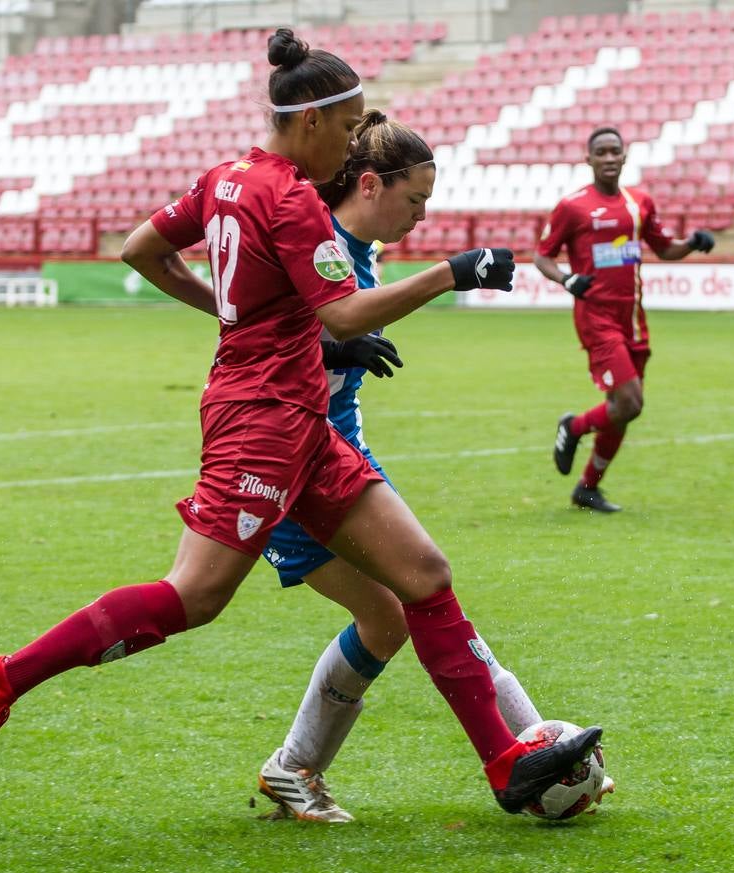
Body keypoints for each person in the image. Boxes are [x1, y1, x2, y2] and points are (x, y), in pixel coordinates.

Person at [0, 28, 601, 819]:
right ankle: (3, 675)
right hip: (260, 421)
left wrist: (239, 315)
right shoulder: (289, 195)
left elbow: (141, 250)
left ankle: (504, 762)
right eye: (352, 123)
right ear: (312, 121)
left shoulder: (226, 178)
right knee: (194, 596)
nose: (359, 140)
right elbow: (346, 308)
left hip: (299, 421)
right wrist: (453, 272)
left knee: (423, 577)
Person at [246, 110, 594, 823]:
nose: (422, 214)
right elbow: (259, 349)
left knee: (403, 613)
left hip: (340, 452)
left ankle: (296, 768)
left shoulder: (357, 249)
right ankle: (529, 752)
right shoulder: (316, 237)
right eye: (416, 200)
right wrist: (336, 345)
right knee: (421, 595)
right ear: (370, 185)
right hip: (293, 462)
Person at [534, 126, 715, 513]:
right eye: (601, 152)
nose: (609, 158)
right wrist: (567, 279)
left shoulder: (640, 203)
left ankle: (587, 488)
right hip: (597, 317)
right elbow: (542, 256)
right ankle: (574, 427)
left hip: (633, 316)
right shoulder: (573, 207)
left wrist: (693, 243)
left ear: (625, 156)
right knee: (630, 402)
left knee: (623, 409)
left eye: (615, 151)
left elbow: (665, 249)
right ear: (589, 159)